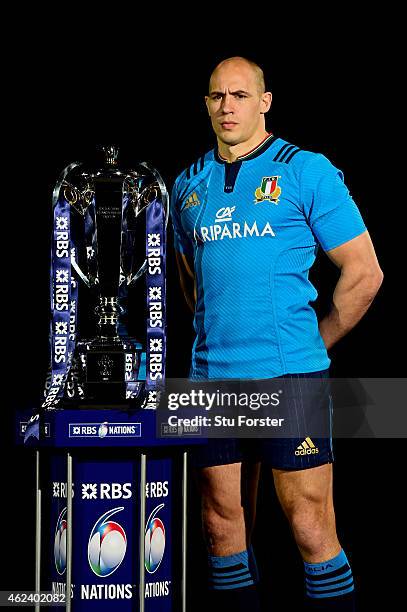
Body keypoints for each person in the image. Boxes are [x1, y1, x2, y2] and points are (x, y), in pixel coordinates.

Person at [170, 56, 383, 611]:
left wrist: (317, 342)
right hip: (212, 384)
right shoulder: (187, 185)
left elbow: (364, 274)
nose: (227, 106)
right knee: (219, 528)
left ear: (265, 102)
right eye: (217, 96)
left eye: (240, 95)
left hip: (289, 379)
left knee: (311, 527)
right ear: (206, 104)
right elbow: (193, 283)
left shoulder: (305, 169)